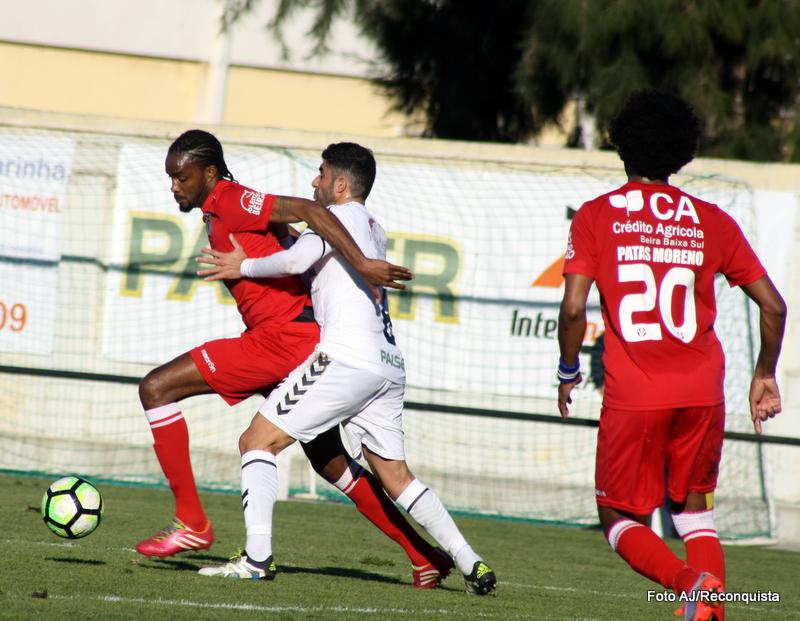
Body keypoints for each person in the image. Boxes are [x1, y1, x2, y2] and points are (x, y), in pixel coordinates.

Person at [137, 130, 454, 589]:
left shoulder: (231, 198)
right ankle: (424, 556)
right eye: (170, 177)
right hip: (293, 341)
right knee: (332, 463)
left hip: (281, 342)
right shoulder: (218, 207)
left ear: (208, 173)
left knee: (156, 388)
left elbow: (309, 210)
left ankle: (192, 522)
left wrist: (363, 264)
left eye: (181, 177)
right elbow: (290, 234)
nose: (174, 186)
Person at [195, 142, 497, 595]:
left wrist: (245, 264)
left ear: (340, 183)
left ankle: (257, 558)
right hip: (389, 365)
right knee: (397, 477)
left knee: (256, 441)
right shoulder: (373, 227)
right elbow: (310, 259)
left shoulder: (336, 219)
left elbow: (297, 261)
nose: (313, 182)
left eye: (320, 174)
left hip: (345, 358)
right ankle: (471, 562)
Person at [557, 90, 786, 621]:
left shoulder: (596, 216)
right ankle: (712, 610)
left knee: (616, 514)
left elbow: (573, 309)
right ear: (684, 150)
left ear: (620, 145)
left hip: (636, 393)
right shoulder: (713, 220)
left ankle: (691, 585)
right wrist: (765, 375)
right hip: (703, 392)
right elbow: (773, 306)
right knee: (695, 513)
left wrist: (568, 370)